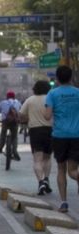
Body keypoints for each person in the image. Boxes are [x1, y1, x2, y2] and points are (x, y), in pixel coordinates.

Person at [43, 65, 79, 213]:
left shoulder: (52, 94)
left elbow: (47, 116)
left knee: (62, 169)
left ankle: (64, 202)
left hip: (60, 136)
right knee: (73, 170)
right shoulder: (78, 92)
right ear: (71, 78)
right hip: (77, 135)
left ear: (57, 79)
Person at [20, 80, 54, 196]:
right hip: (50, 130)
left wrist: (27, 119)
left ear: (35, 89)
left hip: (35, 131)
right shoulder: (51, 99)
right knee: (47, 158)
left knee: (37, 159)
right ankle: (46, 179)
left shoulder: (30, 100)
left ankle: (40, 182)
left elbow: (21, 114)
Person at [0, 91, 22, 160]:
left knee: (3, 134)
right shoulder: (17, 102)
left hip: (5, 121)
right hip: (15, 122)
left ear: (7, 97)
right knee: (15, 136)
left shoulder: (3, 102)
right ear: (14, 97)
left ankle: (0, 148)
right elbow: (21, 112)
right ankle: (15, 151)